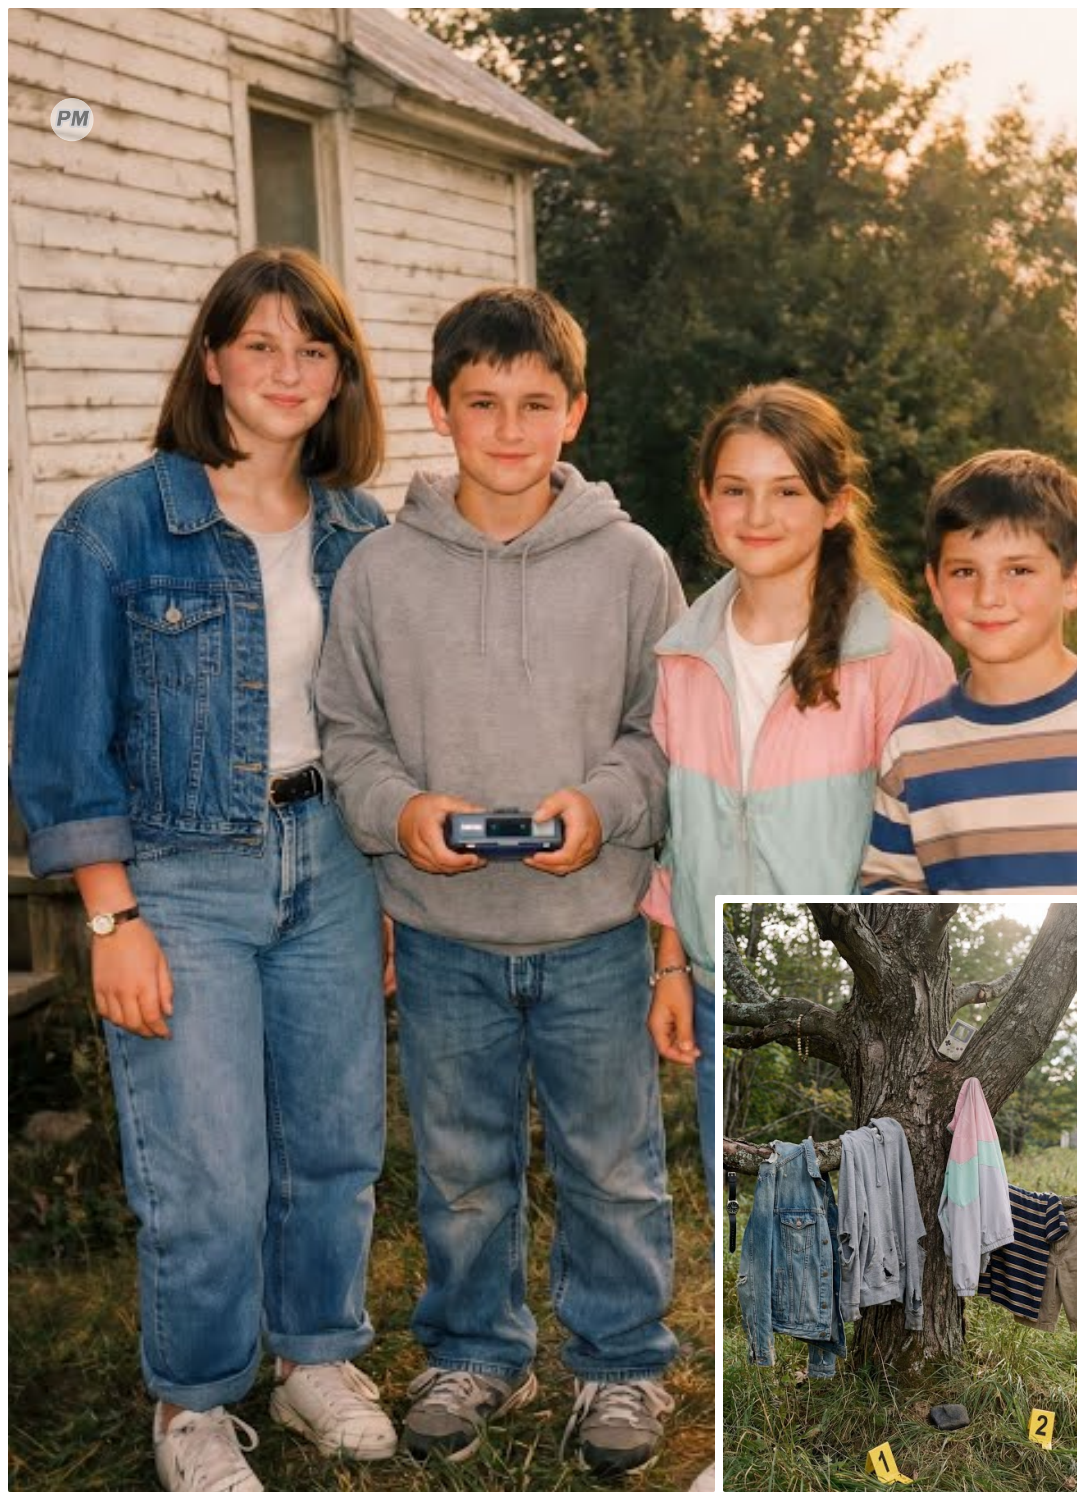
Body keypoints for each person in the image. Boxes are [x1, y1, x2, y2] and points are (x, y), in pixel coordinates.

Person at [11, 248, 396, 1492]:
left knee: (335, 1142)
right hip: (179, 875)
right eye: (262, 346)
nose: (289, 372)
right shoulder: (116, 524)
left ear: (341, 374)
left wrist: (390, 883)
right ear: (214, 360)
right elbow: (61, 740)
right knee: (207, 1165)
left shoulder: (360, 531)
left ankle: (314, 1362)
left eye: (315, 348)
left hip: (333, 857)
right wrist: (110, 917)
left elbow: (383, 724)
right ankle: (191, 1403)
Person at [316, 286, 687, 1476]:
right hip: (443, 935)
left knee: (612, 1167)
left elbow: (662, 730)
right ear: (440, 409)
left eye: (536, 404)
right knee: (466, 1169)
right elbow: (348, 736)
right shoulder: (379, 570)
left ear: (573, 413)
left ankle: (624, 1366)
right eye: (483, 403)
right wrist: (400, 815)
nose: (510, 428)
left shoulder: (632, 564)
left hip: (592, 930)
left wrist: (606, 807)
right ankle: (478, 1348)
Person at [643, 380, 955, 1192]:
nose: (758, 513)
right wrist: (673, 968)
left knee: (871, 1201)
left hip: (857, 1001)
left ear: (835, 504)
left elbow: (940, 851)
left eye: (787, 490)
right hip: (721, 990)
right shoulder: (681, 658)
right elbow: (674, 833)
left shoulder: (901, 661)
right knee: (743, 1203)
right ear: (706, 502)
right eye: (735, 490)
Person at [860, 448, 1077, 893]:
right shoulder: (911, 750)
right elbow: (888, 887)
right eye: (963, 571)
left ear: (1074, 582)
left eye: (1018, 569)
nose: (989, 595)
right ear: (935, 587)